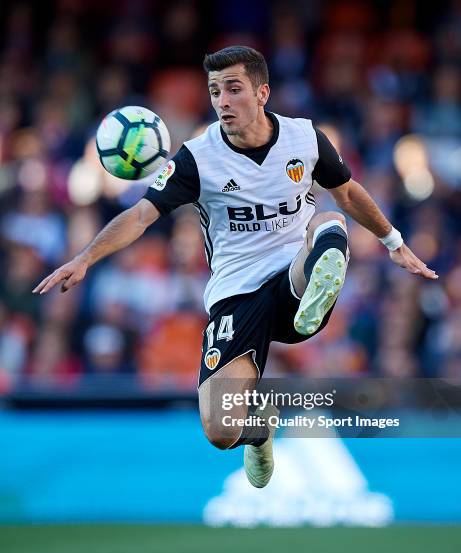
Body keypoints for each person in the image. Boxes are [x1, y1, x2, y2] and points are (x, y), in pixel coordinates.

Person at [33, 46, 438, 488]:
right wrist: (85, 257)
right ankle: (260, 428)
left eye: (233, 89)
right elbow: (141, 215)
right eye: (214, 91)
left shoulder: (305, 138)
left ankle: (312, 300)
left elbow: (348, 191)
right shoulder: (197, 158)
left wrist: (393, 242)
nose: (222, 101)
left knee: (329, 223)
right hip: (236, 298)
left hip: (292, 276)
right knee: (220, 430)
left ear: (262, 92)